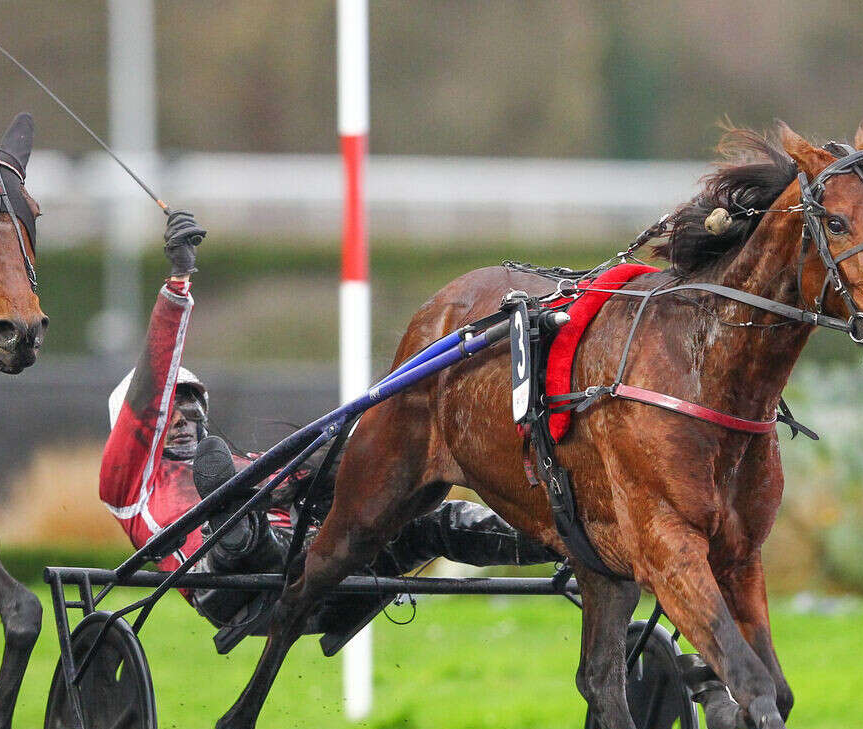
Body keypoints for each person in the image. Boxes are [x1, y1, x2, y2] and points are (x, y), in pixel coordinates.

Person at [100, 210, 555, 655]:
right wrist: (177, 283)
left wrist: (342, 459)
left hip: (325, 568)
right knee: (249, 518)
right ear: (137, 429)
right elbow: (152, 380)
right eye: (168, 414)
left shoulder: (242, 465)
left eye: (188, 408)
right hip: (234, 588)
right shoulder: (128, 483)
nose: (180, 420)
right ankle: (235, 524)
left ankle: (562, 542)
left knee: (427, 514)